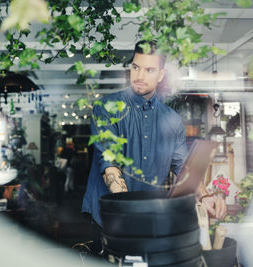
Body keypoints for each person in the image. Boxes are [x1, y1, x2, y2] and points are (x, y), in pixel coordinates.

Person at [81, 40, 227, 254]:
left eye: (149, 70)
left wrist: (205, 197)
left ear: (160, 75)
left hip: (148, 222)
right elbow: (109, 164)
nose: (139, 76)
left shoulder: (172, 120)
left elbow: (183, 168)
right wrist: (127, 211)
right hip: (108, 220)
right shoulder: (106, 108)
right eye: (135, 67)